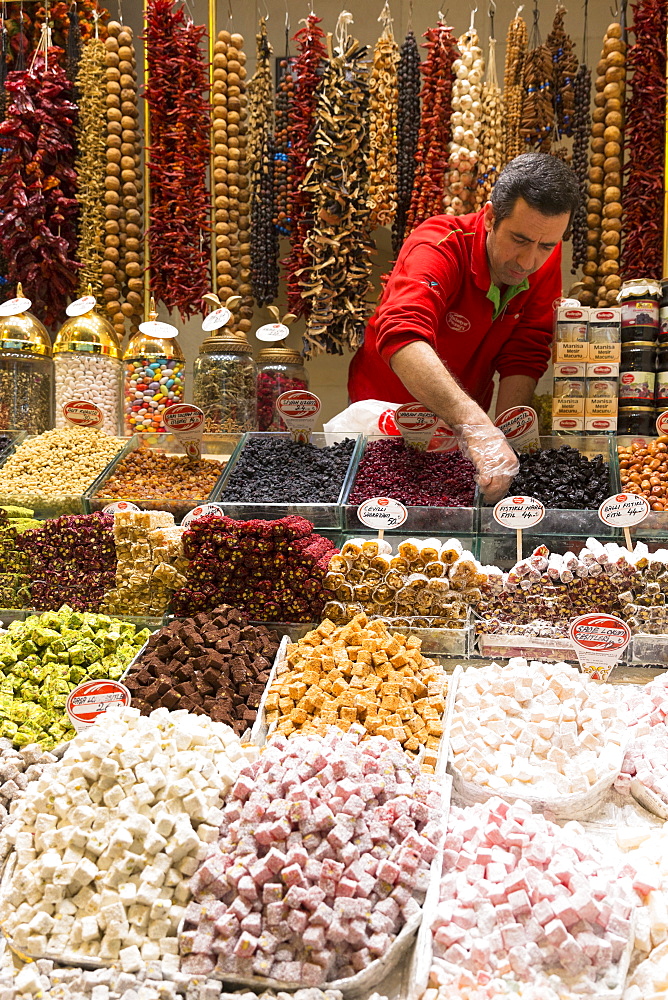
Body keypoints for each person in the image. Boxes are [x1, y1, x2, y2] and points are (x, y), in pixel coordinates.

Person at [348, 153, 581, 501]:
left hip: (460, 430)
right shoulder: (440, 242)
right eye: (518, 240)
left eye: (546, 245)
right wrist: (477, 428)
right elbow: (402, 333)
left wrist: (505, 442)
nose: (528, 261)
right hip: (384, 420)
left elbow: (526, 352)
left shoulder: (540, 262)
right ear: (489, 217)